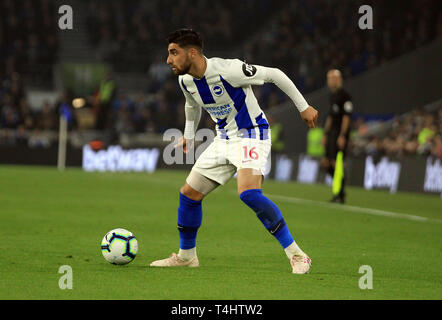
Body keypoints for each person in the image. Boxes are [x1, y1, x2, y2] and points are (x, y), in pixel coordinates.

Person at [150, 29, 318, 274]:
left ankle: (298, 255)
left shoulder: (228, 70)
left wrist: (304, 107)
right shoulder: (185, 80)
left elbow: (275, 74)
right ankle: (187, 257)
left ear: (193, 52)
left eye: (174, 53)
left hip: (252, 134)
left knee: (248, 193)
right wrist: (188, 135)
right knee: (188, 195)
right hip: (223, 139)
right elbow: (191, 105)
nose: (168, 60)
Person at [321, 69, 353, 204]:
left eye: (331, 78)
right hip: (331, 134)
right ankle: (339, 191)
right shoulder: (332, 96)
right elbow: (330, 116)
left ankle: (340, 194)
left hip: (339, 134)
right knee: (326, 163)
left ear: (338, 79)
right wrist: (325, 134)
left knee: (336, 163)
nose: (329, 81)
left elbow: (346, 117)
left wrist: (343, 136)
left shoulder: (345, 96)